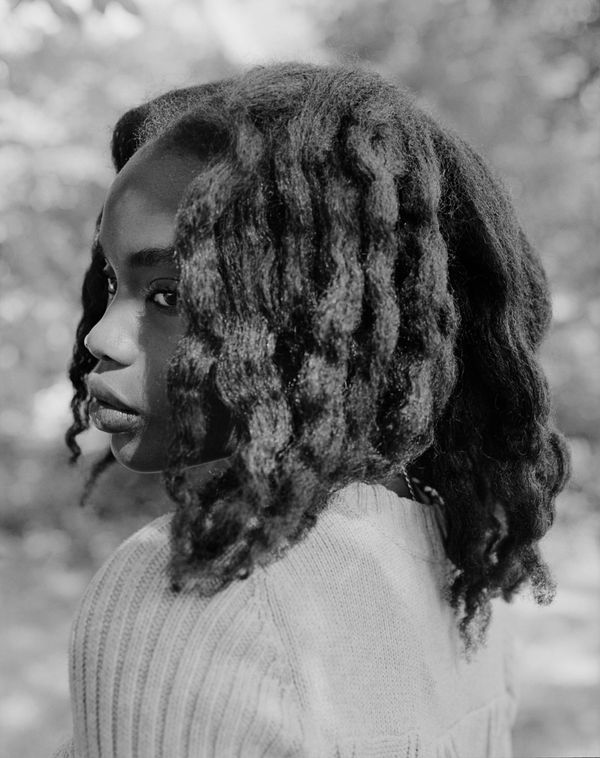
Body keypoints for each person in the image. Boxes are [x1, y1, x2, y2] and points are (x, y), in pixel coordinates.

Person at [52, 62, 570, 757]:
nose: (99, 337)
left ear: (319, 316)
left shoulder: (198, 594)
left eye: (169, 295)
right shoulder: (457, 561)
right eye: (114, 283)